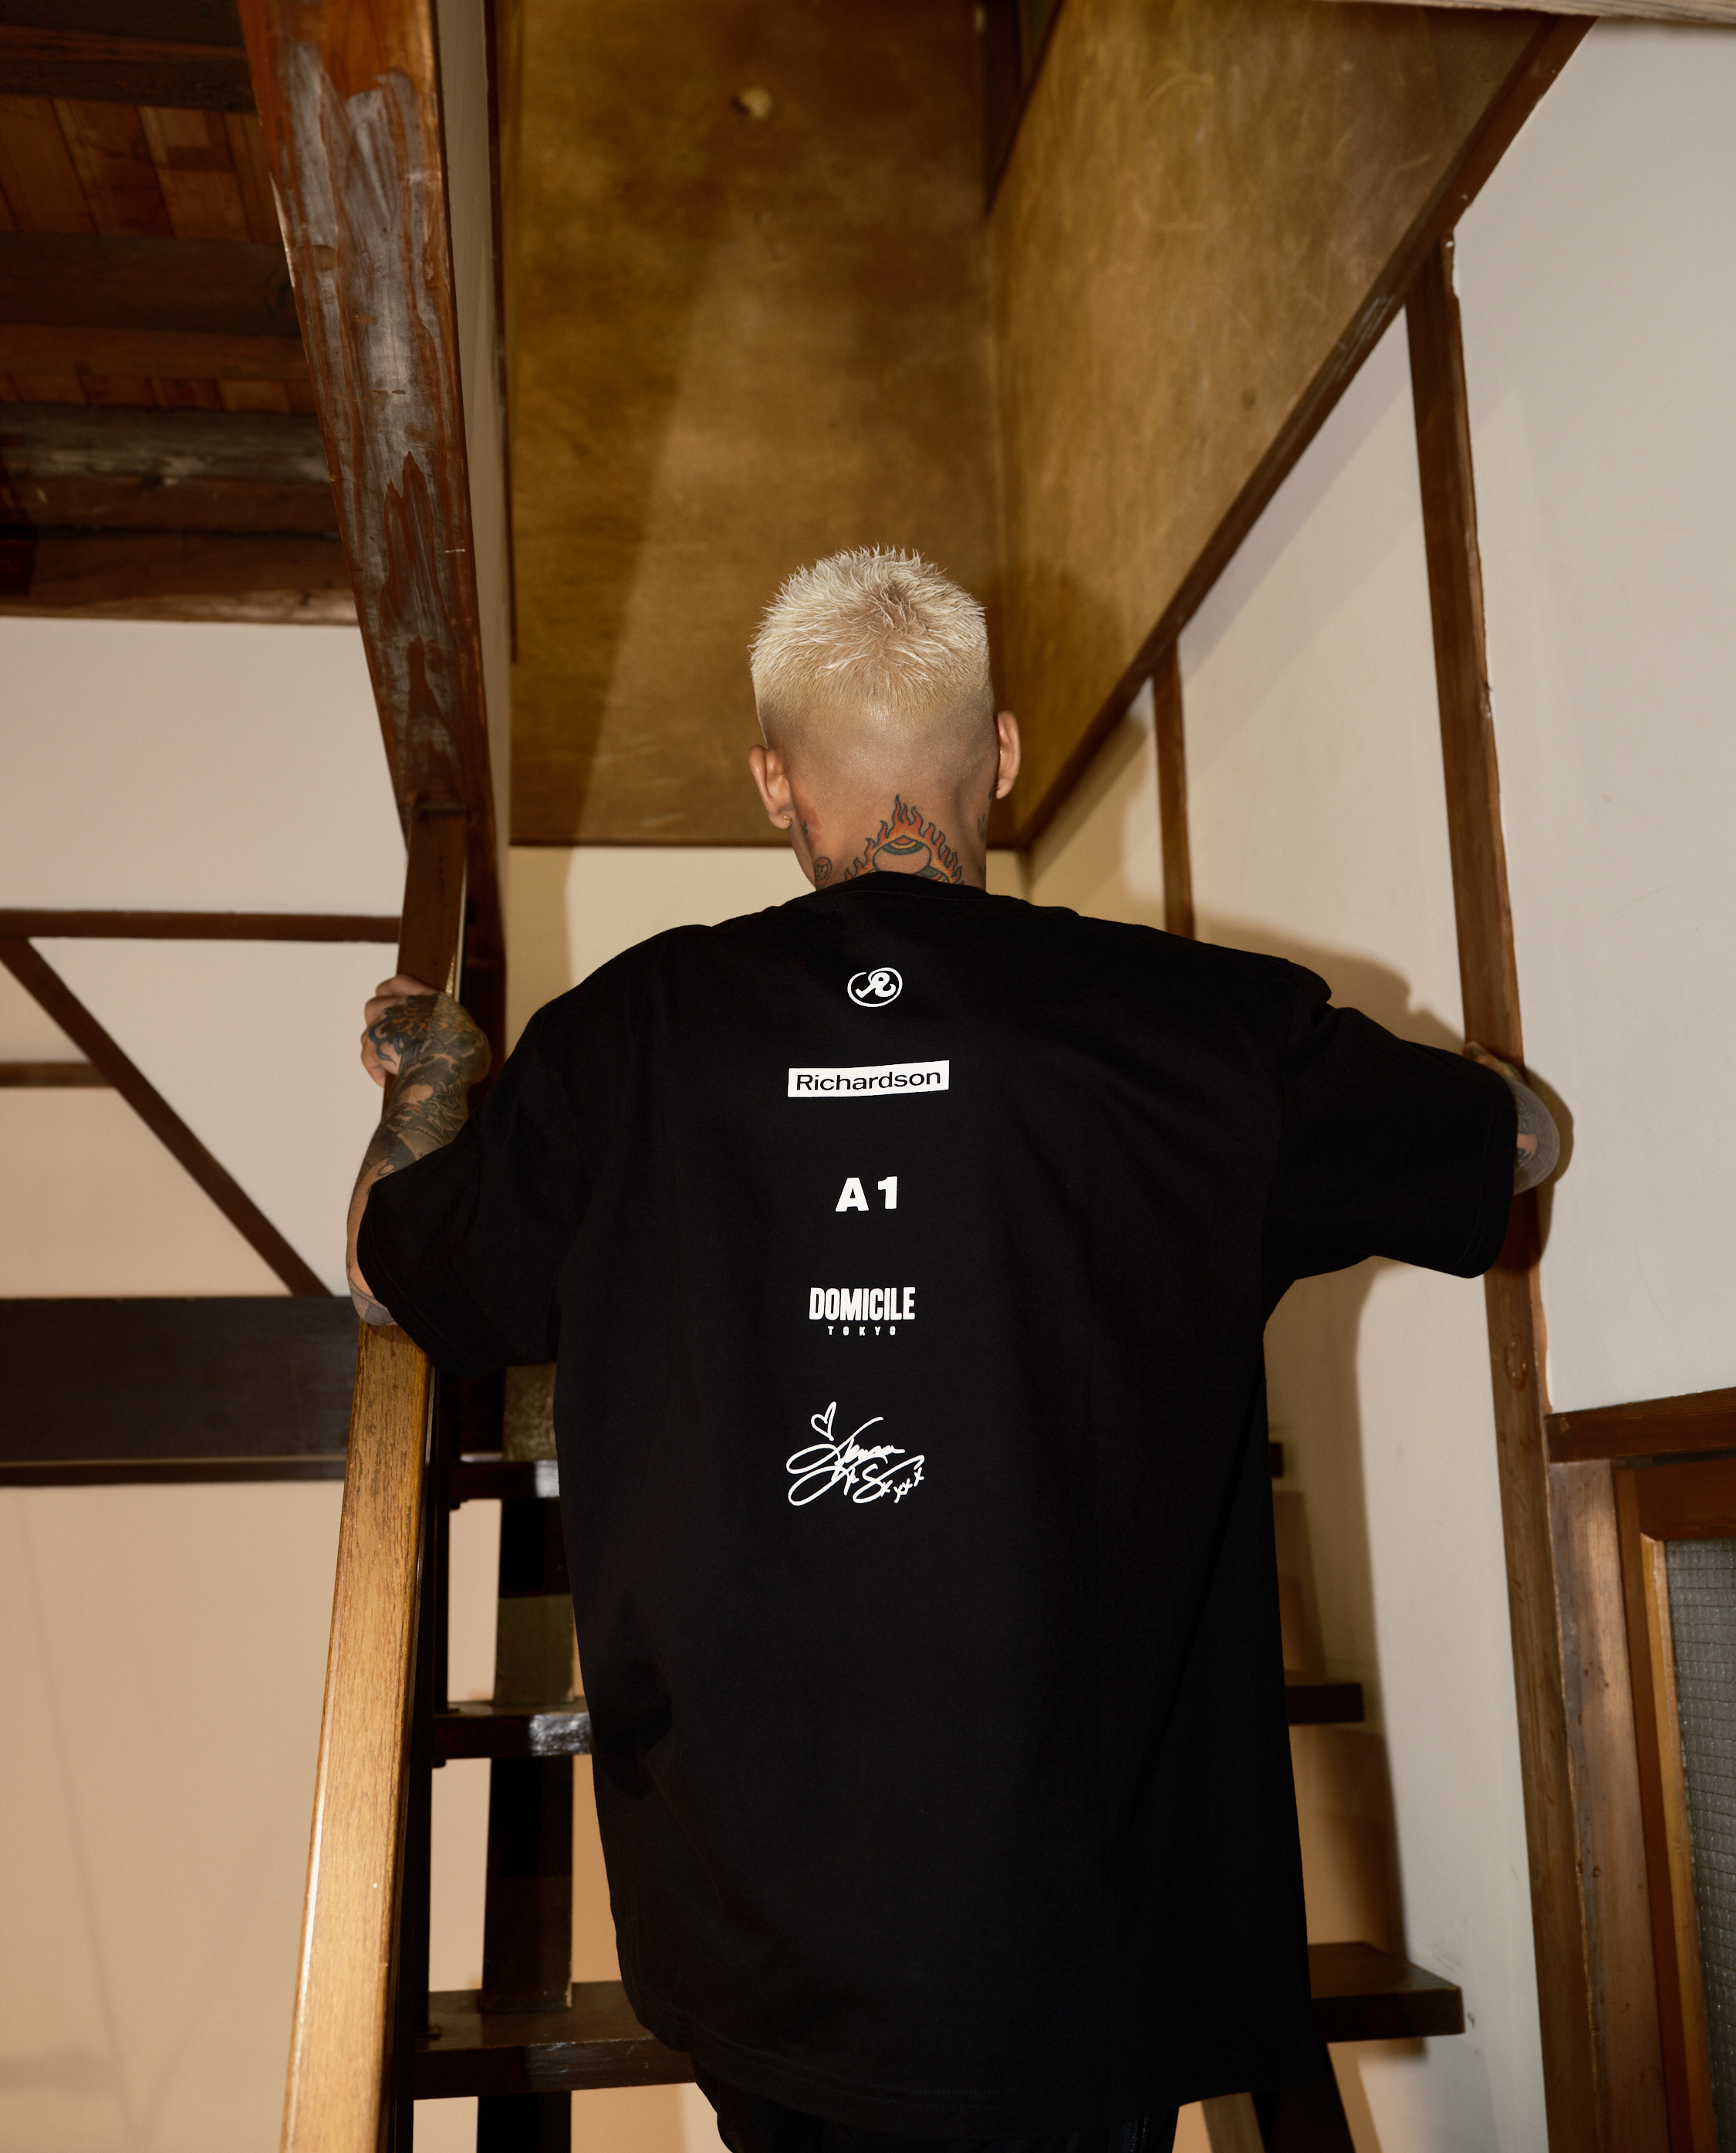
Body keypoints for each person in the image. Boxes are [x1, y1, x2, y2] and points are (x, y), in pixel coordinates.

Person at [346, 548, 1558, 2153]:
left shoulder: (621, 1043)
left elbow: (395, 1272)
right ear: (998, 755)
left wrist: (431, 1084)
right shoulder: (1189, 1025)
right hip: (1087, 1932)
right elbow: (1513, 1148)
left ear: (773, 781)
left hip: (750, 1937)